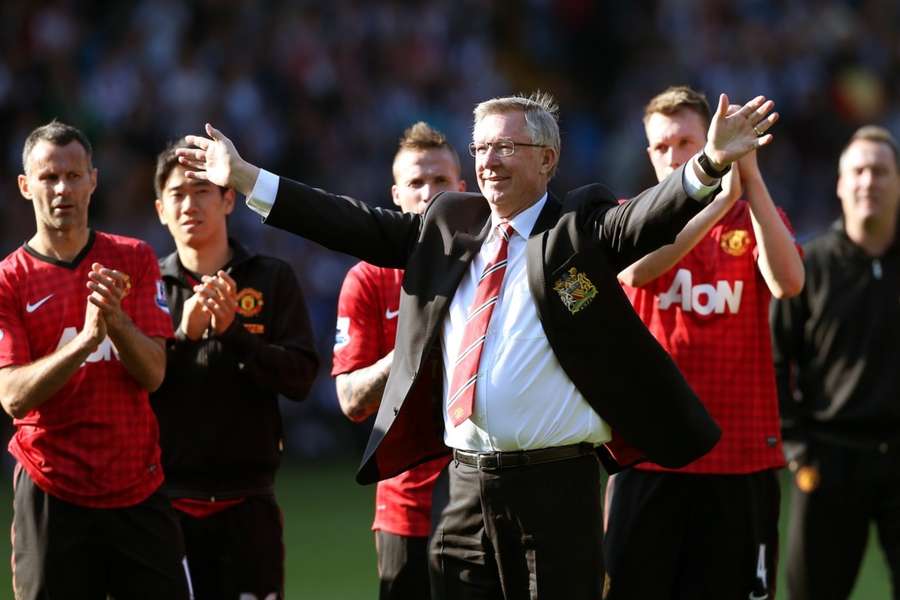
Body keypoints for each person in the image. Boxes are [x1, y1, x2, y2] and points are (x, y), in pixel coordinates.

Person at [176, 90, 775, 599]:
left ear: (547, 159)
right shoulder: (448, 227)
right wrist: (248, 179)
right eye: (482, 146)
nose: (489, 160)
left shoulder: (577, 231)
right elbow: (349, 220)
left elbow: (645, 217)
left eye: (506, 147)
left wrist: (709, 164)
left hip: (556, 491)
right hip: (463, 488)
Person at [603, 85, 804, 599]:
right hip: (649, 456)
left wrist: (750, 177)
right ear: (648, 155)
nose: (673, 157)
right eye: (661, 146)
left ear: (710, 141)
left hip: (739, 458)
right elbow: (637, 270)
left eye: (687, 142)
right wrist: (717, 202)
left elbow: (788, 283)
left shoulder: (756, 218)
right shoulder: (631, 216)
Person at [0, 121, 191, 599]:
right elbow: (12, 396)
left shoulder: (134, 259)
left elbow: (154, 373)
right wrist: (85, 341)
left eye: (73, 174)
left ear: (93, 180)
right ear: (26, 186)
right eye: (48, 177)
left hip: (136, 489)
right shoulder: (10, 280)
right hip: (52, 491)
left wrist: (117, 322)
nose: (62, 188)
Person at [150, 138, 319, 599]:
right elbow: (134, 390)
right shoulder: (145, 286)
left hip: (249, 505)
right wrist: (182, 337)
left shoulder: (271, 278)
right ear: (160, 209)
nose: (190, 204)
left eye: (202, 190)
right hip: (165, 505)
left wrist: (233, 333)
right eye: (177, 194)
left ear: (228, 198)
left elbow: (301, 378)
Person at [332, 121, 465, 599]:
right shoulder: (369, 279)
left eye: (441, 182)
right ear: (396, 194)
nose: (429, 194)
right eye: (416, 183)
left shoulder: (495, 264)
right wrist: (409, 351)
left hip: (490, 498)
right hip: (407, 508)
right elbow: (349, 399)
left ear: (463, 190)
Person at [771, 125, 900, 600]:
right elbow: (775, 359)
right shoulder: (808, 264)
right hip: (828, 461)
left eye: (882, 172)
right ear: (841, 184)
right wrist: (798, 450)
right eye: (859, 171)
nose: (870, 182)